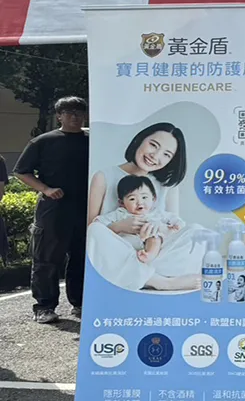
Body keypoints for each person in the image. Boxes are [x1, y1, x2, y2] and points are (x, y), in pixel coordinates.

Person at [85, 122, 200, 292]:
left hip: (153, 254)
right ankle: (159, 281)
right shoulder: (104, 176)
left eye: (166, 154)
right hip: (116, 254)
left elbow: (175, 228)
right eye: (153, 145)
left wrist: (159, 229)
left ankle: (140, 274)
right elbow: (92, 231)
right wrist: (119, 226)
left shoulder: (166, 185)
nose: (155, 156)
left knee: (196, 232)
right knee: (95, 230)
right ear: (140, 140)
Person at [13, 97, 90, 324]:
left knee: (82, 258)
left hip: (87, 208)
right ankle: (44, 307)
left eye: (79, 112)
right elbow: (21, 171)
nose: (75, 116)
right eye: (69, 112)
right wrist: (46, 189)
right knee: (47, 259)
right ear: (59, 116)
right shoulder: (43, 141)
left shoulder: (93, 141)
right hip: (54, 208)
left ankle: (81, 303)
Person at [94, 174, 185, 264]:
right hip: (126, 245)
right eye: (132, 199)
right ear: (122, 203)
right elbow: (97, 223)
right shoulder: (120, 213)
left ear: (153, 199)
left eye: (144, 197)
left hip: (149, 241)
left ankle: (148, 255)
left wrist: (175, 226)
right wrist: (119, 225)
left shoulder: (157, 213)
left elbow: (177, 220)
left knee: (155, 238)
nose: (140, 202)